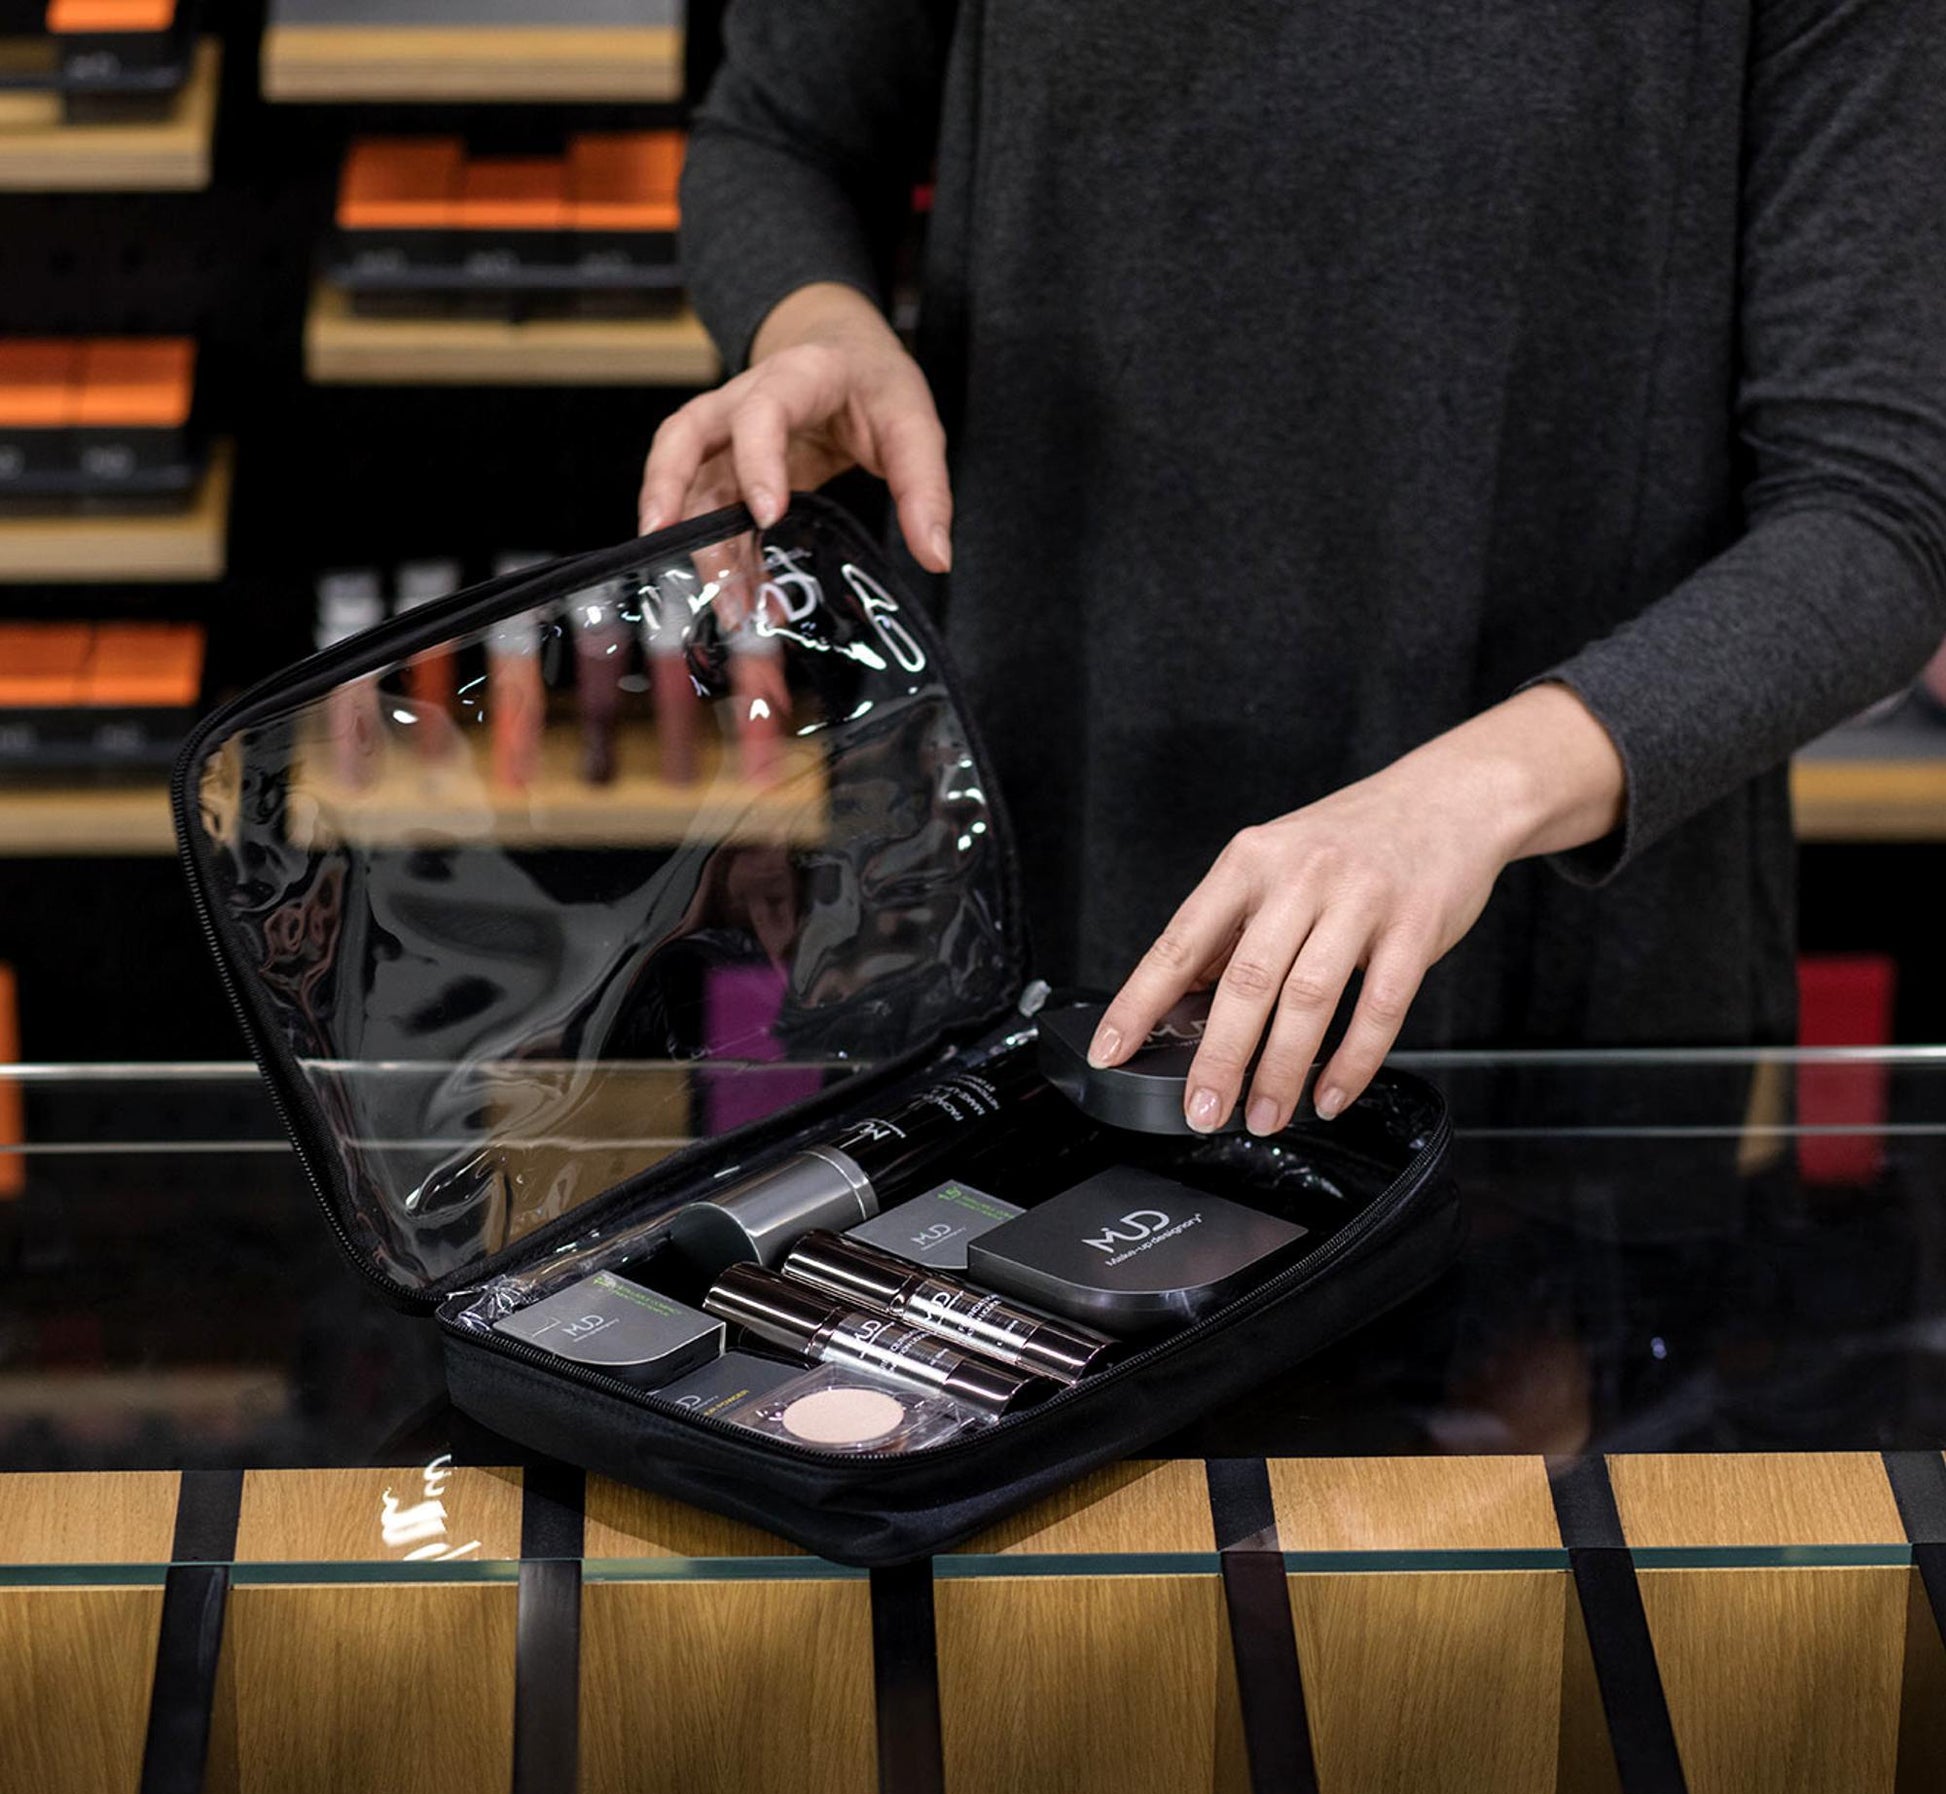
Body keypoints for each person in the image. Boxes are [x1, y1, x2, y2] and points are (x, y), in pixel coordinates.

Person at [641, 1, 1946, 1138]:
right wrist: (817, 322)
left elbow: (1878, 507)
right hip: (1022, 849)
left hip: (1550, 944)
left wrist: (1471, 799)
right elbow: (778, 135)